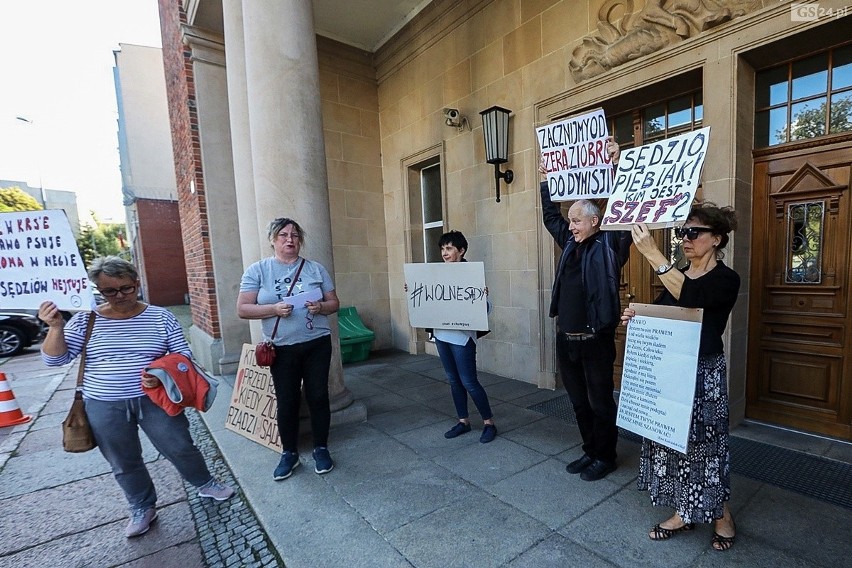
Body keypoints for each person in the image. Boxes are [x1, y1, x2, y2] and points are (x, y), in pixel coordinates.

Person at [39, 256, 235, 539]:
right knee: (123, 459)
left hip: (155, 398)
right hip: (103, 402)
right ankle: (142, 506)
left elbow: (182, 354)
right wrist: (55, 327)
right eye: (110, 291)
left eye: (126, 288)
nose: (120, 296)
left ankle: (205, 483)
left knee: (179, 444)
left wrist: (160, 372)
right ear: (98, 290)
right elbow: (54, 359)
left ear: (136, 283)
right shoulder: (86, 320)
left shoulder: (160, 316)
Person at [621, 203, 740, 551]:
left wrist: (653, 254)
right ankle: (684, 511)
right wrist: (637, 314)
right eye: (681, 232)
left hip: (703, 374)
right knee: (672, 440)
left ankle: (722, 516)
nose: (685, 239)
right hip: (672, 370)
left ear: (716, 239)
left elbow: (693, 300)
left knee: (706, 446)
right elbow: (665, 309)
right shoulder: (682, 273)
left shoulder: (726, 279)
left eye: (693, 232)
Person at [539, 137, 630, 482]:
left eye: (577, 220)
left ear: (595, 221)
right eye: (571, 220)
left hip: (595, 340)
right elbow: (551, 216)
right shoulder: (569, 242)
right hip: (567, 339)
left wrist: (618, 164)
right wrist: (547, 181)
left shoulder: (611, 242)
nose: (571, 225)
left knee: (600, 403)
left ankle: (606, 456)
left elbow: (627, 206)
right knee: (578, 403)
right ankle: (590, 450)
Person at [237, 217, 340, 480]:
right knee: (287, 400)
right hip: (282, 348)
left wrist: (321, 307)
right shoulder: (258, 271)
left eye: (294, 235)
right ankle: (289, 453)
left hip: (317, 343)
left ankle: (320, 448)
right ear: (273, 240)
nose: (290, 239)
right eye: (283, 235)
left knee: (318, 396)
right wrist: (273, 309)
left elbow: (334, 303)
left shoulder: (315, 269)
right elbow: (243, 309)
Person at [413, 230, 497, 443]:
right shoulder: (435, 274)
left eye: (449, 248)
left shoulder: (472, 274)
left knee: (469, 381)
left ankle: (489, 423)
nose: (445, 252)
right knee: (453, 380)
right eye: (442, 248)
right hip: (442, 335)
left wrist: (482, 297)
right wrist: (413, 288)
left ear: (461, 250)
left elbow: (487, 308)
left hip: (462, 337)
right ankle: (463, 421)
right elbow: (427, 298)